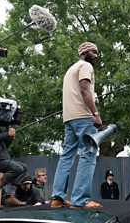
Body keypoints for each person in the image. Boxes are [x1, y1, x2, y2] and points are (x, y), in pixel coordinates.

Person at [50, 42, 102, 209]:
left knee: (67, 156)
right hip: (84, 117)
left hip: (69, 118)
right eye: (94, 52)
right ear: (85, 52)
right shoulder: (85, 66)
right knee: (88, 155)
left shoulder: (69, 70)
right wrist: (96, 114)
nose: (96, 55)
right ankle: (80, 200)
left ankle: (57, 198)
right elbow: (85, 89)